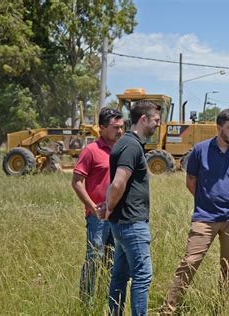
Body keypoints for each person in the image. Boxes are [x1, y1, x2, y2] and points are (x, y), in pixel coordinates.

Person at [160, 108, 229, 314]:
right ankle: (168, 309)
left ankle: (222, 308)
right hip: (204, 218)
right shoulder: (200, 150)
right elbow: (191, 181)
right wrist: (206, 201)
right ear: (218, 127)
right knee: (190, 262)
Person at [100, 100, 161, 315]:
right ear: (143, 119)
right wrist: (108, 208)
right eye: (155, 121)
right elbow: (117, 183)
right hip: (132, 224)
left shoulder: (127, 143)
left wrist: (109, 208)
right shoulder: (131, 145)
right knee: (142, 276)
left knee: (119, 276)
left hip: (124, 223)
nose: (157, 125)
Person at [72, 107, 124, 305]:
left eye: (121, 127)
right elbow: (76, 181)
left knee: (113, 261)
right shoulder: (91, 151)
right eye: (115, 127)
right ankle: (86, 303)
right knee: (94, 258)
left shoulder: (121, 150)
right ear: (102, 128)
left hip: (118, 215)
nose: (119, 131)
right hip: (98, 217)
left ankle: (107, 300)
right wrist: (92, 207)